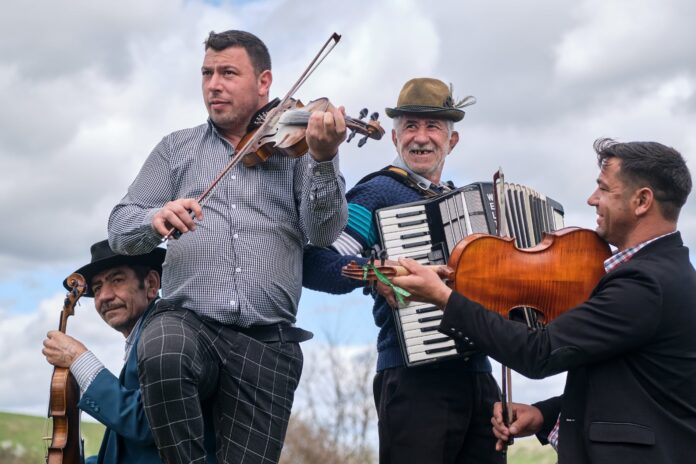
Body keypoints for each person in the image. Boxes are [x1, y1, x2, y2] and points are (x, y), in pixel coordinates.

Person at [107, 29, 348, 464]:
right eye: (207, 73)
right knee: (161, 347)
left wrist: (325, 158)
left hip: (268, 341)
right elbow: (120, 227)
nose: (214, 85)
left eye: (228, 73)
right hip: (189, 322)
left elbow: (324, 232)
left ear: (264, 82)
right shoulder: (175, 149)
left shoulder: (299, 149)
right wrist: (154, 218)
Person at [392, 138, 696, 464]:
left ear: (642, 201)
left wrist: (444, 298)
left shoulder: (645, 284)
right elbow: (631, 388)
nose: (592, 199)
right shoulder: (666, 272)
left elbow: (539, 352)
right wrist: (543, 415)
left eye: (605, 189)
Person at [303, 77, 504, 464]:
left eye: (433, 127)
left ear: (452, 141)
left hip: (479, 378)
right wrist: (375, 273)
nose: (421, 137)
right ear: (395, 138)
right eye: (410, 126)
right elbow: (317, 264)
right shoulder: (377, 193)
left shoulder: (467, 205)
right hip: (414, 380)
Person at [42, 240, 215, 463]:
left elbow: (147, 423)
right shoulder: (142, 337)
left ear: (151, 284)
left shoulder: (167, 336)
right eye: (97, 287)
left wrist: (79, 359)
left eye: (117, 280)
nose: (104, 296)